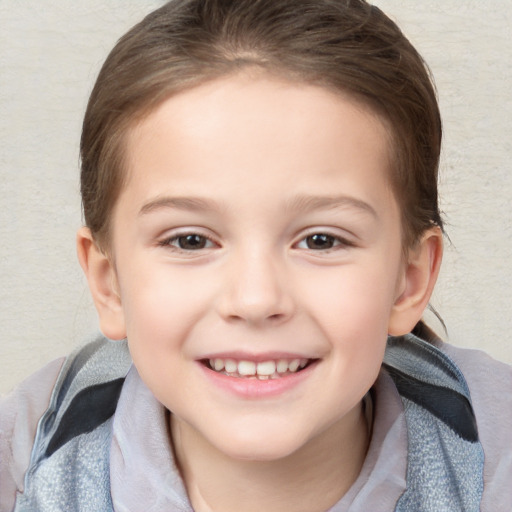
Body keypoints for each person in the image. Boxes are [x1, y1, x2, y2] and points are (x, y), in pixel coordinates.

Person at [1, 1, 511, 511]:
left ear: (410, 279)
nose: (255, 299)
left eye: (321, 240)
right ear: (107, 282)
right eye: (190, 240)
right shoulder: (29, 456)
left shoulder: (494, 449)